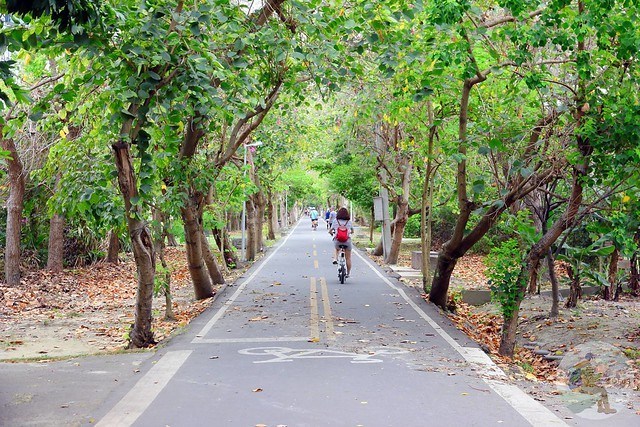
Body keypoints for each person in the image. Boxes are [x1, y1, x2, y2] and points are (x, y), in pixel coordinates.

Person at [329, 207, 354, 277]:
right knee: (348, 258)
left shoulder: (335, 221)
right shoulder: (349, 222)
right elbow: (352, 231)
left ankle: (335, 258)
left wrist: (332, 234)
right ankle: (348, 273)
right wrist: (350, 232)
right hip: (347, 241)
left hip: (338, 241)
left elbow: (330, 230)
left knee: (336, 249)